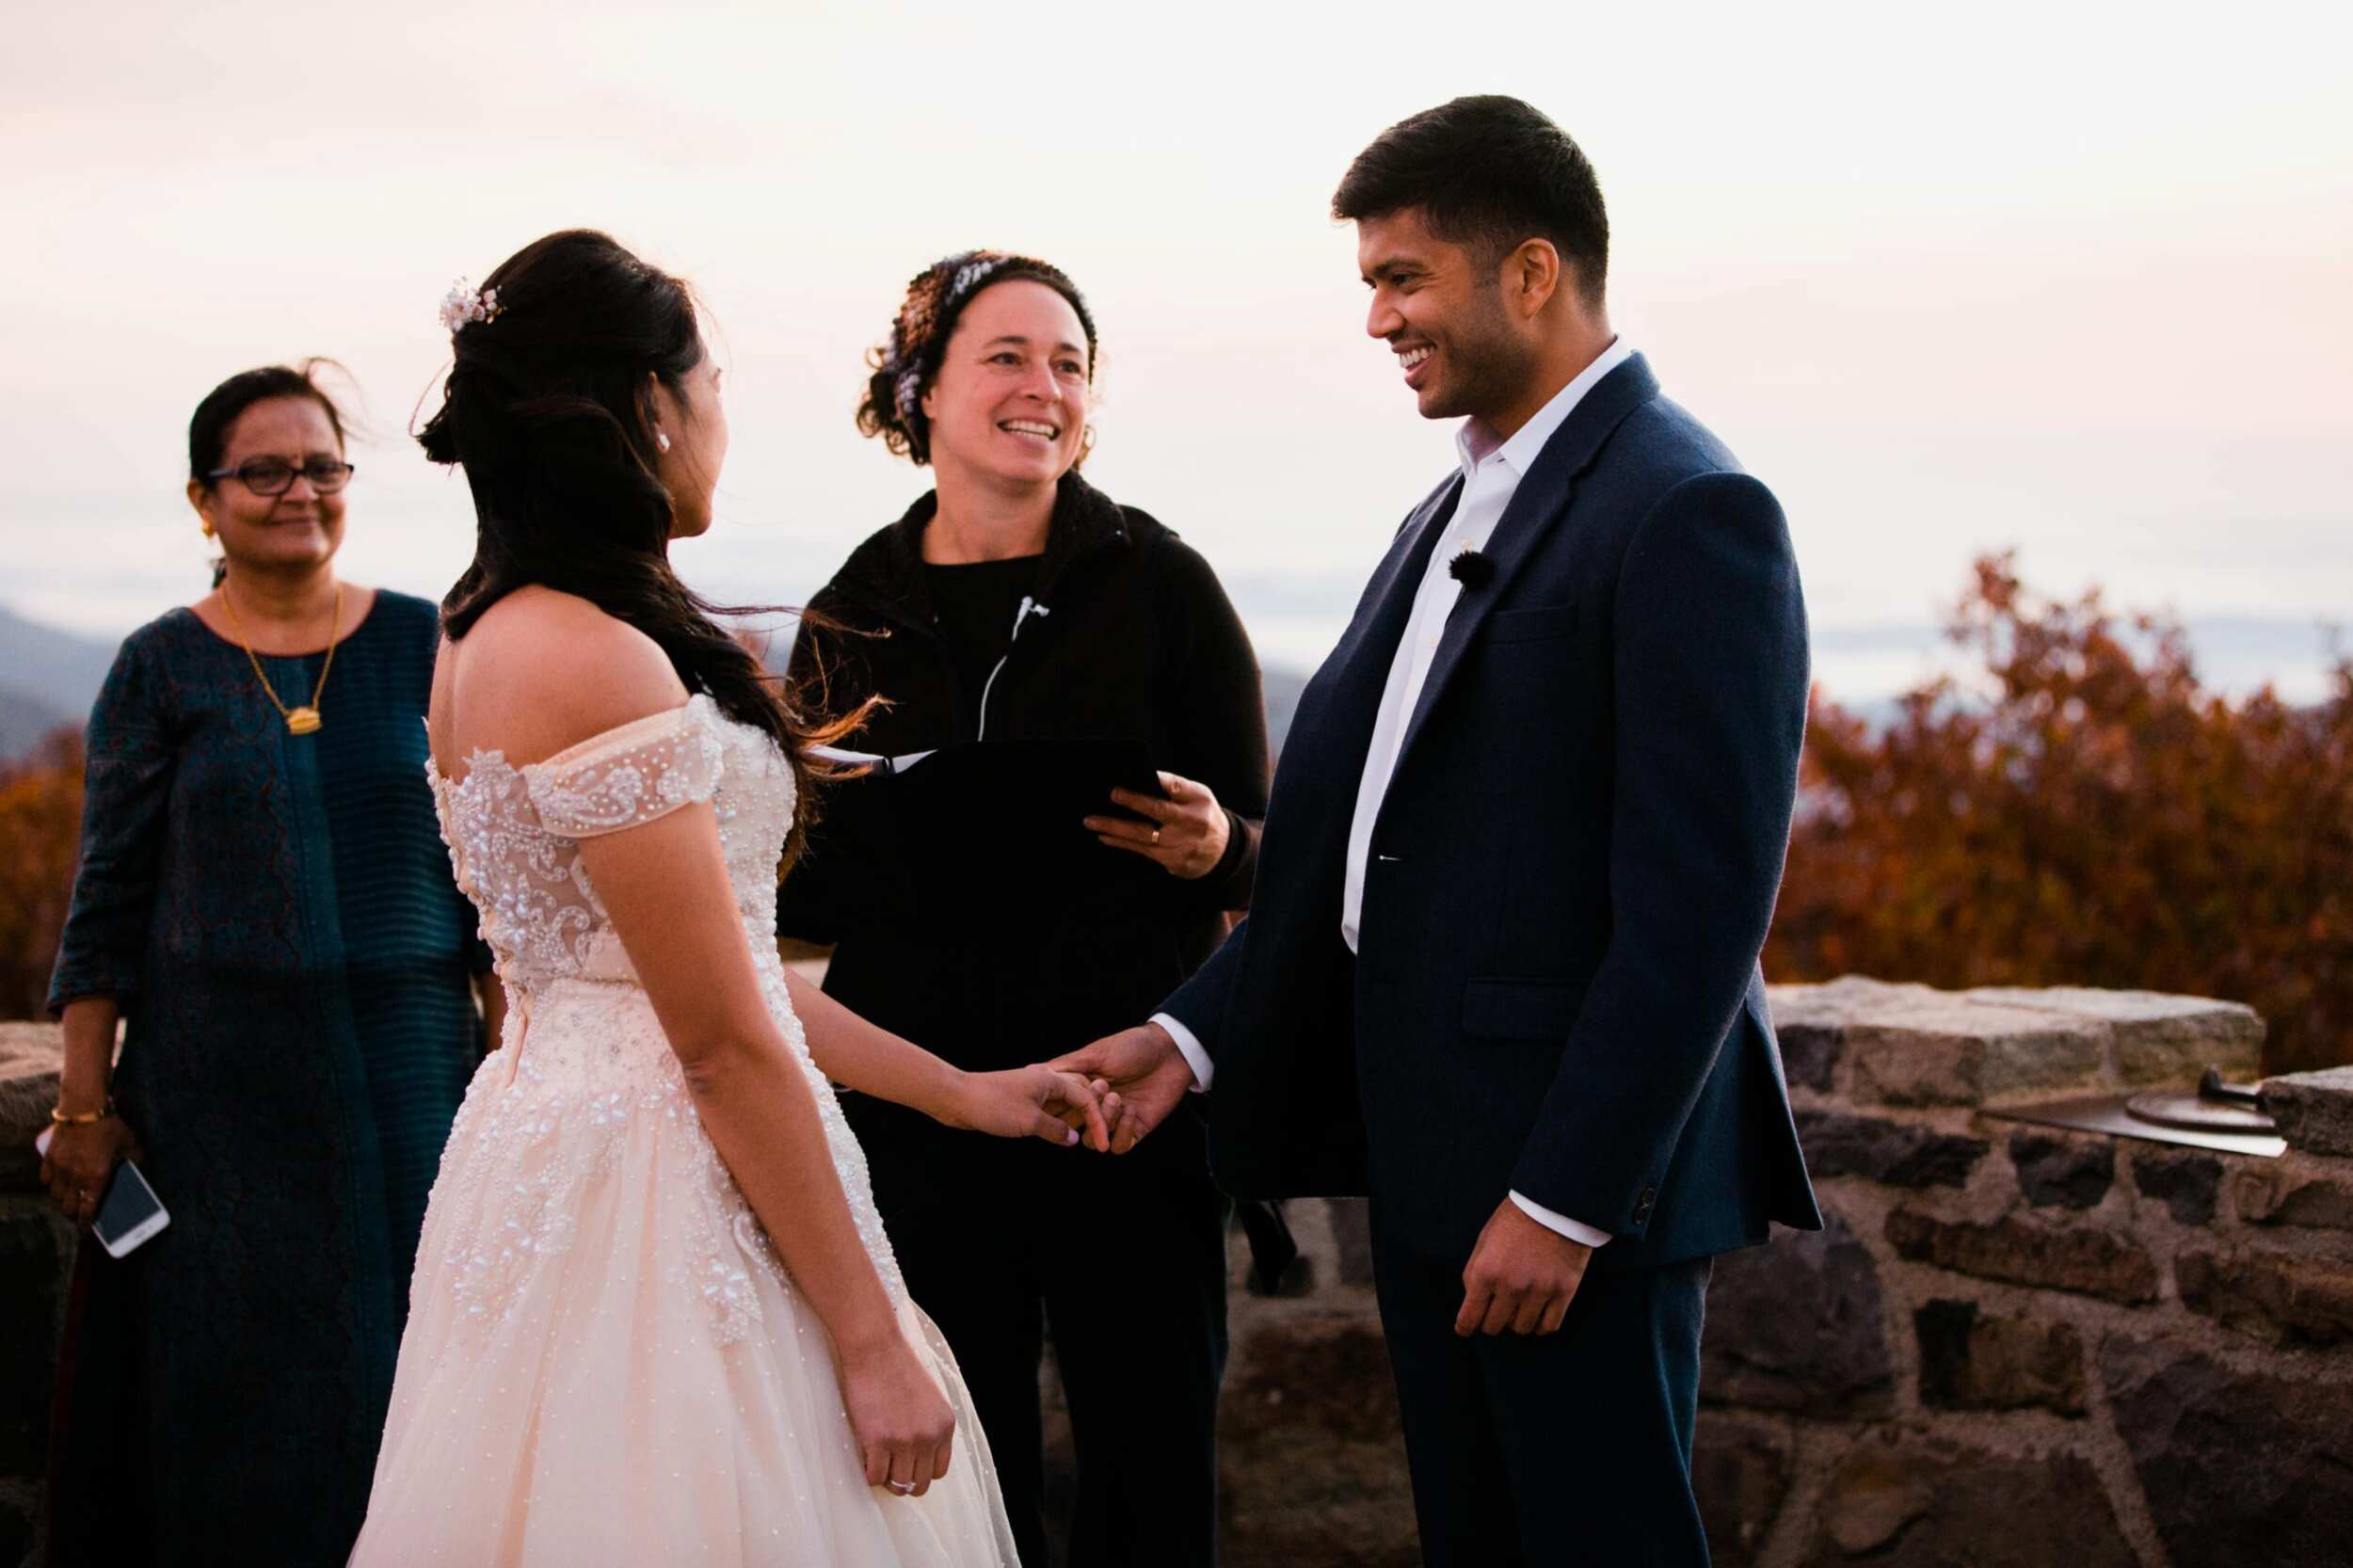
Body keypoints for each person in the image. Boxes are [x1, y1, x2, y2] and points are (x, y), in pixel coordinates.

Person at [1052, 97, 1824, 1565]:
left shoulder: (1691, 507)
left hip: (1565, 1197)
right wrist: (1194, 1033)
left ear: (1530, 272)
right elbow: (1367, 855)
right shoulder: (1449, 503)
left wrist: (1566, 1199)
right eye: (1371, 286)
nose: (1378, 320)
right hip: (1435, 1173)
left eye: (1402, 279)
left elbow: (1701, 908)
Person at [349, 229, 1104, 1566]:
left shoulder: (487, 627)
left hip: (556, 1153)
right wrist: (871, 1339)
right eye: (712, 388)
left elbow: (705, 981)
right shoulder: (591, 657)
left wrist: (966, 1090)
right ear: (645, 405)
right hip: (657, 1205)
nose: (718, 423)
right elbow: (713, 1041)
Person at [778, 250, 1269, 1567]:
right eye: (1005, 356)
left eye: (1068, 364)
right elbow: (799, 886)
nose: (1041, 387)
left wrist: (1223, 848)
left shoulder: (1163, 584)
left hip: (1128, 1096)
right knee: (950, 1465)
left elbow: (1280, 865)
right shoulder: (855, 605)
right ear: (923, 390)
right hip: (919, 1098)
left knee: (1150, 1455)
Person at [40, 361, 504, 1565]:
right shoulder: (160, 667)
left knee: (422, 1369)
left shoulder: (426, 639)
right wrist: (85, 1106)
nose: (299, 491)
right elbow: (105, 904)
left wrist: (513, 1055)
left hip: (417, 1084)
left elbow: (487, 878)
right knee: (236, 1391)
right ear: (206, 501)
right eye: (264, 471)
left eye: (322, 467)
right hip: (219, 1104)